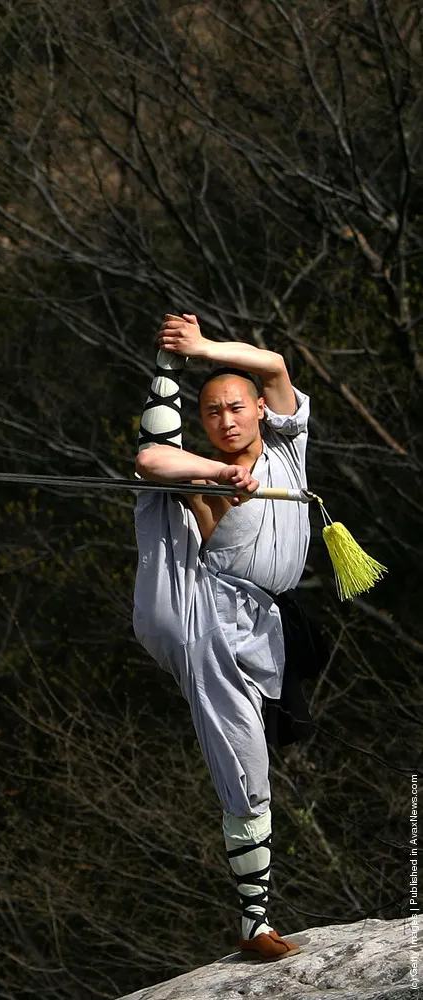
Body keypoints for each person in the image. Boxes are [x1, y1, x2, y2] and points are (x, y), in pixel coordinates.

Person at [133, 312, 309, 961]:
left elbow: (277, 367)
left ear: (260, 411)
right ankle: (255, 922)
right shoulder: (200, 472)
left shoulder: (289, 450)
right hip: (206, 623)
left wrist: (201, 347)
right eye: (211, 412)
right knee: (246, 770)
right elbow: (150, 457)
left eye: (235, 408)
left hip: (271, 627)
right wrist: (211, 475)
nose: (226, 420)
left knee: (270, 749)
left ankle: (255, 920)